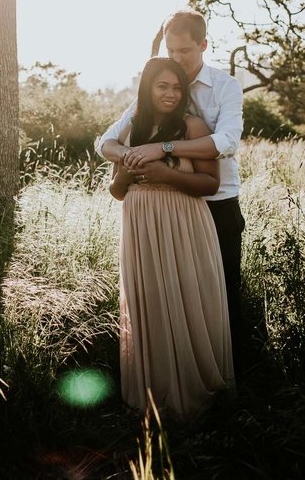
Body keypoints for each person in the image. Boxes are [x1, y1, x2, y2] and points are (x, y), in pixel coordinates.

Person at [97, 9, 245, 372]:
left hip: (216, 203)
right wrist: (131, 157)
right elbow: (106, 142)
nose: (177, 59)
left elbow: (225, 141)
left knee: (220, 296)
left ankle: (227, 375)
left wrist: (162, 150)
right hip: (160, 212)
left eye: (185, 51)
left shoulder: (225, 87)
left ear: (203, 45)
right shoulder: (157, 85)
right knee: (170, 294)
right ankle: (169, 370)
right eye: (171, 50)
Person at [108, 57, 233, 420]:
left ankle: (196, 396)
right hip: (140, 228)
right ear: (147, 88)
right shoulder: (132, 130)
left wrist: (164, 171)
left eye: (177, 87)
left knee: (187, 300)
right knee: (151, 303)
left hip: (184, 224)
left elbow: (210, 184)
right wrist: (128, 173)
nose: (171, 93)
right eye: (162, 86)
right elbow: (116, 190)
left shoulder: (194, 127)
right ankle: (155, 394)